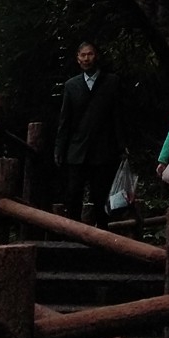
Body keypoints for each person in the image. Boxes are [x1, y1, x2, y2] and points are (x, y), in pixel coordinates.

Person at [53, 40, 126, 227]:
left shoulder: (112, 82)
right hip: (77, 149)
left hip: (103, 149)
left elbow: (118, 116)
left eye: (90, 54)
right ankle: (74, 233)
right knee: (73, 193)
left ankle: (102, 235)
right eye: (83, 55)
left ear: (97, 56)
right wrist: (60, 149)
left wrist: (122, 145)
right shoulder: (71, 85)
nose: (87, 58)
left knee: (100, 194)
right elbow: (65, 120)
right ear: (78, 59)